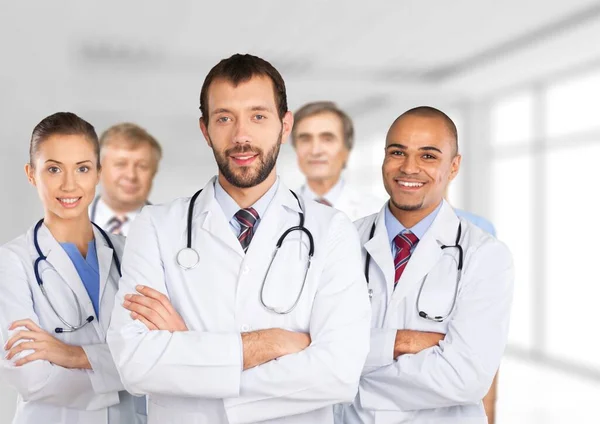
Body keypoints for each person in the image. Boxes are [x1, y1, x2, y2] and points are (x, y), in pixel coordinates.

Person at [107, 54, 371, 424]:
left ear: (285, 124)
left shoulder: (331, 230)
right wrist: (272, 344)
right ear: (205, 129)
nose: (241, 136)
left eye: (258, 116)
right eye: (224, 118)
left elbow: (340, 374)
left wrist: (189, 351)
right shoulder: (155, 226)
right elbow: (135, 364)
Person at [336, 106, 514, 423]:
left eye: (428, 156)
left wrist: (350, 377)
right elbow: (311, 351)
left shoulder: (485, 255)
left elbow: (466, 378)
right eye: (397, 152)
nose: (409, 167)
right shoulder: (340, 242)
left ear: (454, 165)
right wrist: (401, 342)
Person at [0, 112, 144, 424]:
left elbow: (157, 354)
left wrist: (70, 356)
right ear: (31, 174)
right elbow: (32, 378)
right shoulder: (12, 263)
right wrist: (128, 377)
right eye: (53, 169)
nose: (69, 185)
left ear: (98, 174)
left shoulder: (131, 253)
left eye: (82, 168)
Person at [292, 101, 381, 221]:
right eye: (305, 140)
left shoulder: (376, 212)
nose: (315, 151)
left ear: (347, 149)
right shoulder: (276, 212)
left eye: (327, 139)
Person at [90, 123, 162, 236]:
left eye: (142, 166)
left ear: (154, 172)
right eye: (121, 164)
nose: (131, 175)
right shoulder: (61, 226)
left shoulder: (171, 230)